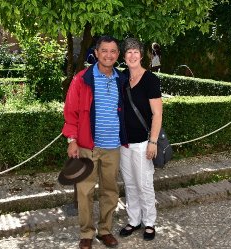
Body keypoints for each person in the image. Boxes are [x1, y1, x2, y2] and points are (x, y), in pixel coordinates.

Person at [62, 35, 128, 249]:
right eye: (104, 51)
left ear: (117, 55)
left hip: (113, 147)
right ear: (97, 53)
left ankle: (105, 230)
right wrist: (72, 140)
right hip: (87, 146)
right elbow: (70, 112)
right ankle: (86, 234)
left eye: (113, 51)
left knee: (110, 191)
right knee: (85, 191)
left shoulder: (122, 79)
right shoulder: (82, 79)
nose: (109, 55)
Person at [119, 38, 162, 241]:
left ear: (141, 54)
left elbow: (157, 114)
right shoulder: (123, 78)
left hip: (143, 143)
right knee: (130, 183)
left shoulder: (150, 80)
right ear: (124, 56)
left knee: (145, 184)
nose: (132, 55)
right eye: (128, 52)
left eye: (135, 51)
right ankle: (134, 220)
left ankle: (150, 222)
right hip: (124, 143)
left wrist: (153, 141)